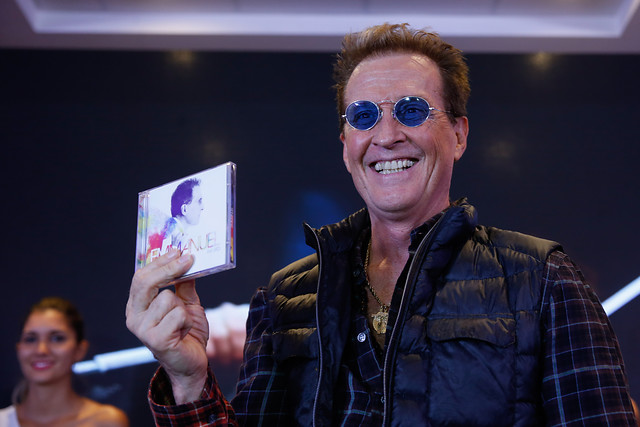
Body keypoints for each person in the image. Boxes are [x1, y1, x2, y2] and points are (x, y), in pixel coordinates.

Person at [126, 23, 638, 426]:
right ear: (346, 144)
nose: (387, 135)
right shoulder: (284, 298)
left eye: (412, 111)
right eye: (364, 115)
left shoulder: (543, 279)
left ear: (459, 135)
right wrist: (187, 379)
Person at [0, 297, 129, 427]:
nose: (41, 350)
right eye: (31, 339)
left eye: (57, 338)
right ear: (19, 349)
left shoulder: (105, 421)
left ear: (80, 350)